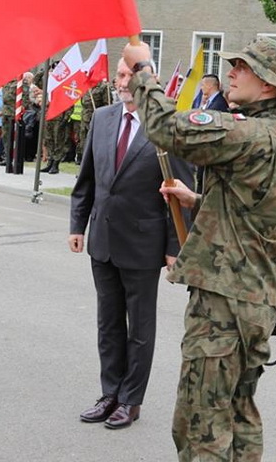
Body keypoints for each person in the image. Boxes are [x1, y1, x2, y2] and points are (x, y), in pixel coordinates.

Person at [121, 36, 276, 461]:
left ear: (269, 87)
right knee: (239, 416)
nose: (233, 71)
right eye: (235, 63)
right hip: (256, 302)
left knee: (200, 424)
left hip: (224, 304)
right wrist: (199, 202)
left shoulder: (247, 132)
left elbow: (167, 129)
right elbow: (259, 215)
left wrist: (143, 71)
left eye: (245, 67)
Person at [70, 58, 188, 430]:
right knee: (108, 323)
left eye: (128, 75)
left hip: (143, 242)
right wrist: (78, 223)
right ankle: (110, 392)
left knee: (139, 327)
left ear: (145, 80)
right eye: (119, 75)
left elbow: (176, 192)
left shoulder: (164, 126)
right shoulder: (103, 118)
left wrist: (174, 245)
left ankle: (130, 400)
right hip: (102, 238)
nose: (121, 81)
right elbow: (86, 177)